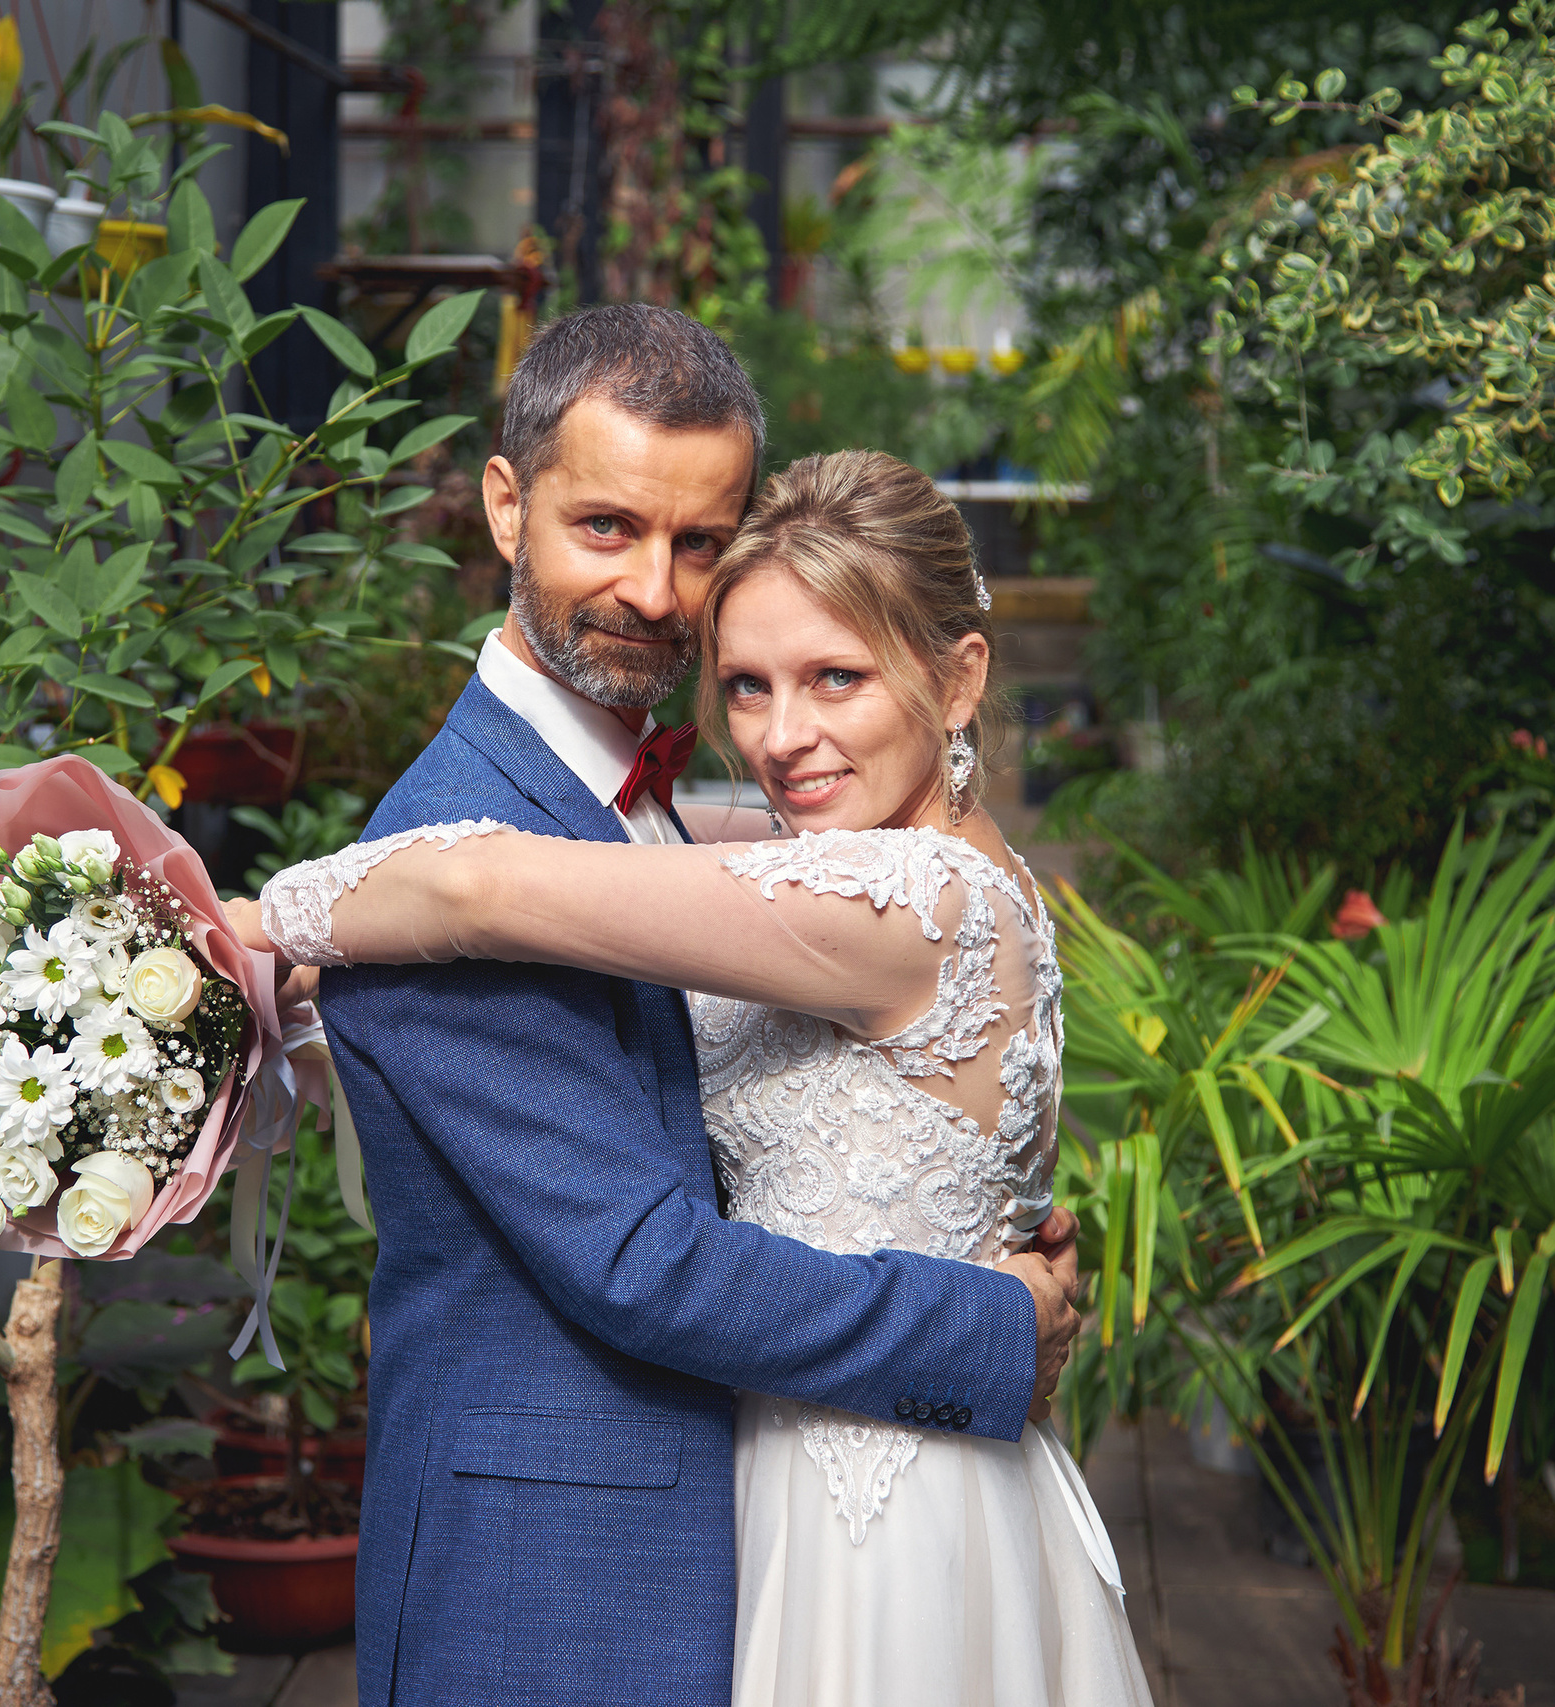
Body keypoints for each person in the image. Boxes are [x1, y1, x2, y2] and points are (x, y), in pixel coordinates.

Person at [236, 304, 1111, 1707]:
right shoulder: (464, 831)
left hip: (828, 1522)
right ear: (506, 506)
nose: (656, 591)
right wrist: (256, 921)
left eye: (700, 542)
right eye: (609, 529)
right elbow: (640, 1262)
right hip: (552, 1576)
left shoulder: (761, 847)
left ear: (956, 678)